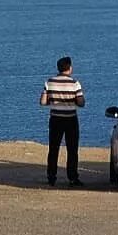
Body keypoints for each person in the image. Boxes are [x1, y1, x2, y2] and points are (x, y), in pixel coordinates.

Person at [39, 56, 85, 187]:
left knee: (53, 149)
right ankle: (72, 177)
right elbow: (81, 102)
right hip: (70, 119)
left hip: (55, 119)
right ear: (69, 68)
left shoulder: (49, 82)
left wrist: (51, 101)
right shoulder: (75, 83)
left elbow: (42, 102)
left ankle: (51, 176)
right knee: (72, 149)